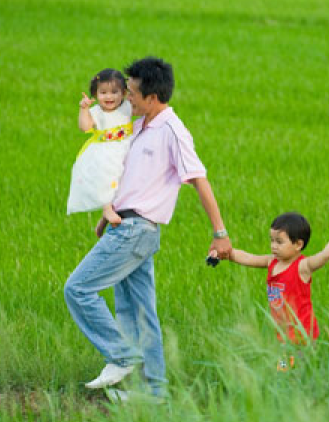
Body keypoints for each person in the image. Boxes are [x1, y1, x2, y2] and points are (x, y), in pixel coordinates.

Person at [64, 57, 232, 399]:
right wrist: (107, 212)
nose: (126, 96)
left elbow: (199, 181)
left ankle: (122, 355)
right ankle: (154, 395)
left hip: (137, 230)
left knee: (78, 289)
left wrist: (220, 233)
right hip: (125, 224)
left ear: (153, 97)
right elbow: (132, 176)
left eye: (133, 92)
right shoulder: (138, 125)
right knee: (140, 314)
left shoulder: (172, 130)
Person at [221, 212, 329, 369]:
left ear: (298, 244)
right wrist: (227, 253)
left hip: (301, 338)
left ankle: (297, 386)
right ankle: (292, 383)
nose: (273, 246)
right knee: (287, 371)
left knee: (289, 372)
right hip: (283, 337)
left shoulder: (302, 267)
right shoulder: (272, 261)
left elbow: (324, 256)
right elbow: (248, 258)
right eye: (272, 240)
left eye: (279, 242)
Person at [75, 68, 132, 225]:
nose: (109, 96)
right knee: (107, 179)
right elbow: (85, 127)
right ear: (95, 94)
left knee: (125, 179)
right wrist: (84, 109)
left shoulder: (126, 107)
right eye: (103, 92)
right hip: (106, 152)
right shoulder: (96, 112)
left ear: (124, 93)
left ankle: (117, 209)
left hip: (126, 149)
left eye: (115, 92)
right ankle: (107, 209)